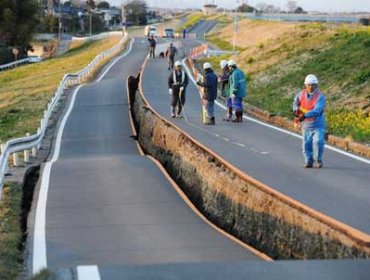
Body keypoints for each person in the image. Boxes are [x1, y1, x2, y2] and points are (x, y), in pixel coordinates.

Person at [293, 74, 326, 168]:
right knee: (306, 144)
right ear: (305, 85)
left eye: (313, 85)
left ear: (316, 85)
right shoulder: (300, 94)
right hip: (306, 125)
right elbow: (295, 102)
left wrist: (305, 115)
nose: (311, 87)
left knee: (318, 141)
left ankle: (318, 159)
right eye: (309, 85)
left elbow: (317, 110)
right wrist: (296, 110)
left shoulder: (320, 97)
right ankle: (308, 161)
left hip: (318, 125)